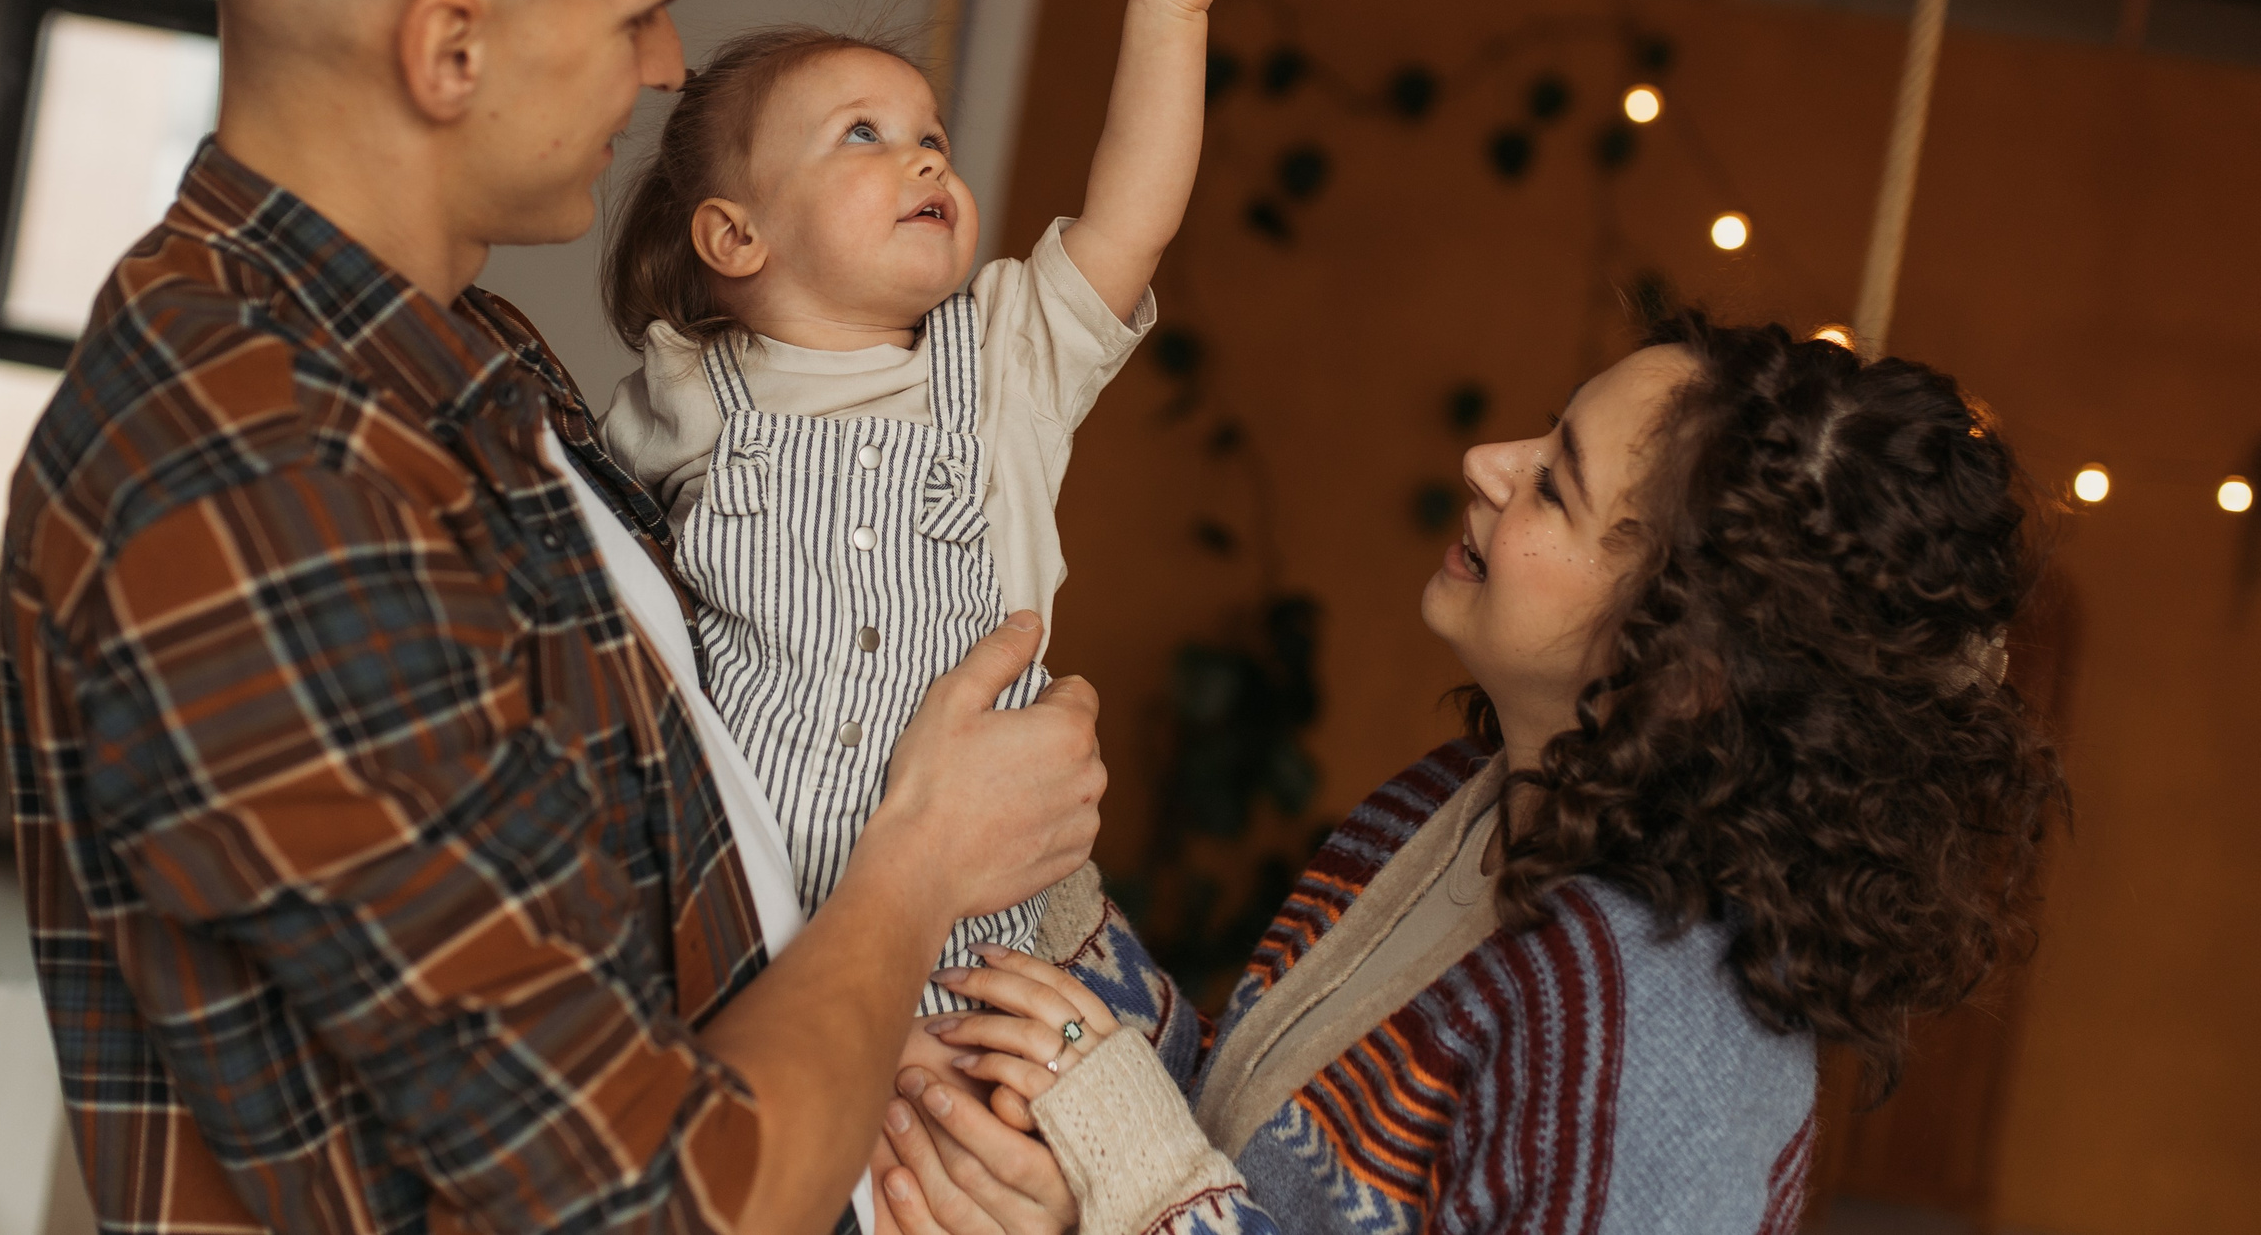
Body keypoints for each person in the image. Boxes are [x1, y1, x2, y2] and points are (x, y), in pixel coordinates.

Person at [0, 0, 1106, 1235]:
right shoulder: (250, 479)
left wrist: (911, 1093)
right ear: (451, 49)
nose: (664, 68)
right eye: (638, 13)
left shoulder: (459, 353)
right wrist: (920, 857)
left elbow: (648, 917)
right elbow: (649, 1201)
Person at [863, 316, 2068, 1235]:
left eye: (1555, 482)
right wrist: (1050, 898)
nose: (1489, 458)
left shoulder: (1658, 1034)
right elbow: (1246, 1141)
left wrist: (1114, 1175)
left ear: (1691, 663)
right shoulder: (1465, 797)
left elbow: (1174, 1174)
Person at [596, 0, 1237, 1033]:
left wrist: (1168, 13)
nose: (925, 154)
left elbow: (1131, 216)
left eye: (931, 133)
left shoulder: (1002, 358)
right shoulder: (689, 388)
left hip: (955, 941)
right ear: (736, 238)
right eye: (863, 135)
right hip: (719, 906)